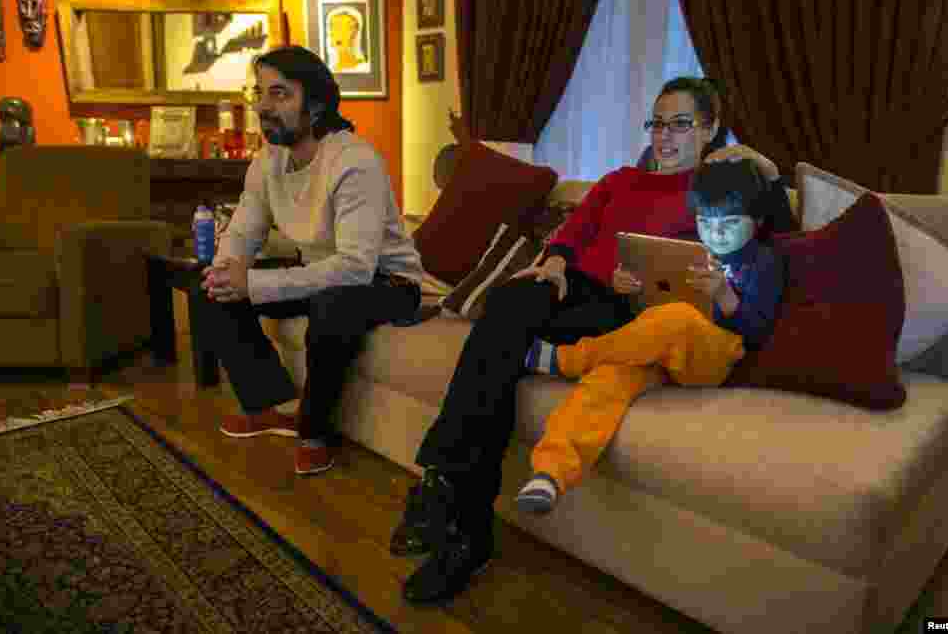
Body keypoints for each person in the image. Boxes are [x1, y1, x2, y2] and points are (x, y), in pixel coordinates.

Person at [390, 76, 785, 605]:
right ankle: (461, 513)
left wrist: (749, 162)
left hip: (625, 314)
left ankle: (449, 500)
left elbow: (765, 227)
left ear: (711, 130)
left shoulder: (714, 194)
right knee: (507, 310)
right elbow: (574, 231)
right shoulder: (618, 180)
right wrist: (553, 262)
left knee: (500, 345)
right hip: (571, 287)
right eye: (658, 122)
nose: (665, 136)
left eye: (682, 123)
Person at [199, 45, 424, 475]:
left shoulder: (354, 162)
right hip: (325, 273)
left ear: (316, 105)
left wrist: (257, 284)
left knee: (332, 304)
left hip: (388, 283)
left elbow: (355, 268)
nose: (264, 106)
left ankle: (314, 429)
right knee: (210, 285)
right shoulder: (268, 162)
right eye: (260, 93)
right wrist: (226, 269)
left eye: (280, 94)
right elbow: (244, 230)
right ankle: (274, 405)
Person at [515, 158, 783, 514]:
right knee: (610, 378)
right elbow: (655, 309)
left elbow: (758, 331)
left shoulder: (762, 261)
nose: (716, 234)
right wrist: (631, 288)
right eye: (705, 222)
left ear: (758, 221)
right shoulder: (691, 251)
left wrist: (724, 296)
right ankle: (550, 473)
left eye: (730, 223)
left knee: (677, 318)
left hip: (717, 358)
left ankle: (568, 359)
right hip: (665, 351)